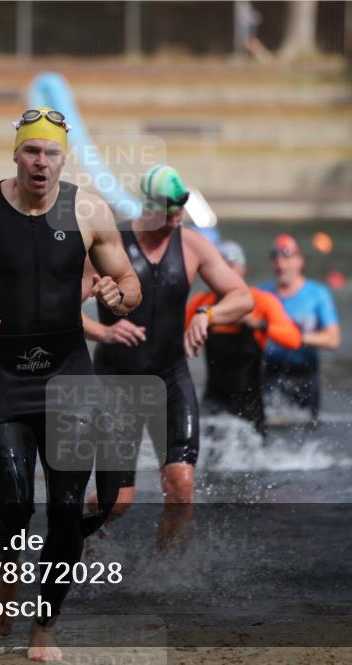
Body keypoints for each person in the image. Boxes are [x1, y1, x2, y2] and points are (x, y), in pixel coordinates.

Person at [0, 107, 141, 661]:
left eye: (50, 153)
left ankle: (44, 624)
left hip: (69, 378)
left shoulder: (89, 210)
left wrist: (120, 296)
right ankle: (7, 564)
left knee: (67, 512)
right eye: (31, 151)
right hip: (3, 380)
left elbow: (127, 281)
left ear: (62, 159)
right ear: (15, 154)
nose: (40, 162)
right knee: (16, 506)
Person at [83, 165, 253, 547]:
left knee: (181, 486)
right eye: (170, 211)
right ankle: (75, 537)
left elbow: (243, 297)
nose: (178, 219)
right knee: (118, 501)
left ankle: (168, 577)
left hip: (171, 379)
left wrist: (208, 316)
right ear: (147, 206)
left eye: (182, 210)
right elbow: (61, 308)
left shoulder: (192, 245)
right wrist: (103, 331)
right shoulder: (110, 245)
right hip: (116, 385)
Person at [185, 241, 302, 436]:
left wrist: (259, 325)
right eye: (223, 267)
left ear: (243, 269)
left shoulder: (261, 301)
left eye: (233, 266)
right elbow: (176, 342)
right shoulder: (201, 303)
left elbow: (294, 339)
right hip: (214, 400)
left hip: (250, 403)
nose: (228, 273)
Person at [259, 234, 341, 425]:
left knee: (306, 432)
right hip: (270, 373)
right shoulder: (262, 294)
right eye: (276, 260)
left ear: (299, 261)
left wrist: (295, 337)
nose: (281, 266)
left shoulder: (318, 294)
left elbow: (333, 339)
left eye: (287, 259)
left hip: (305, 374)